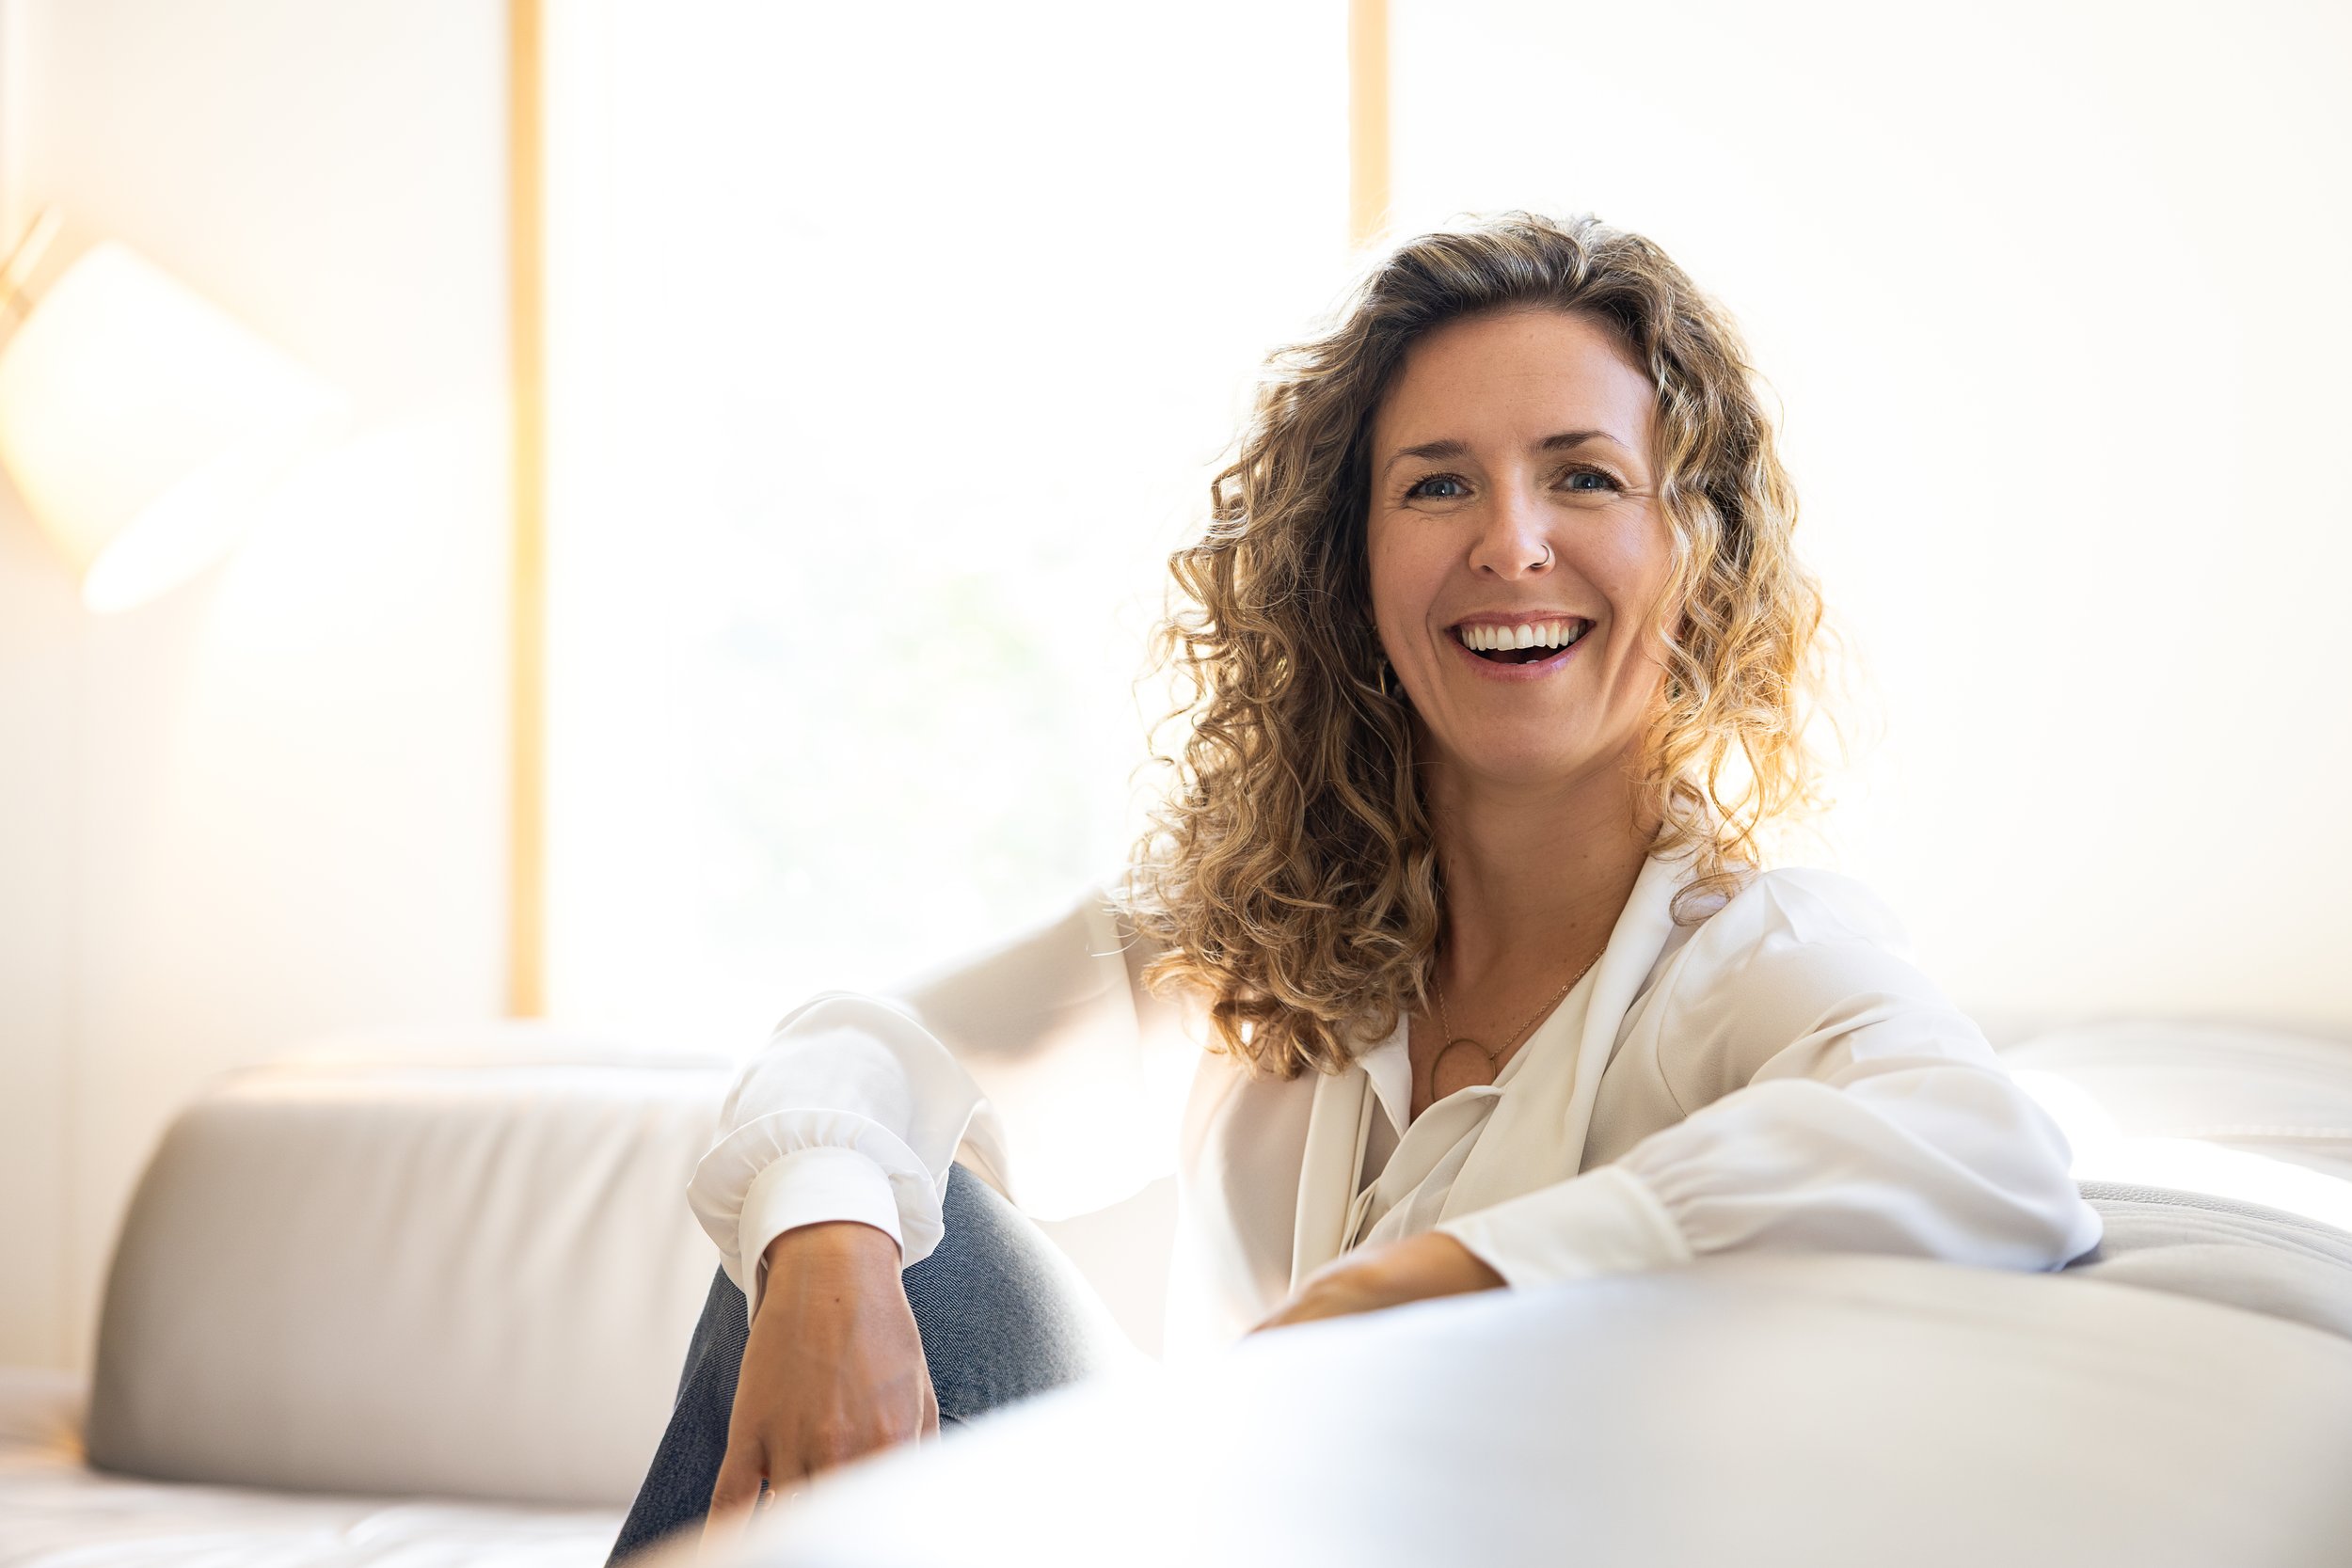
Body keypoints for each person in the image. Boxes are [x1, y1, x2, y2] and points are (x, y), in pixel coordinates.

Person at [606, 211, 2100, 1564]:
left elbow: (1988, 1153)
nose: (1511, 542)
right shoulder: (1276, 928)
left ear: (1690, 550)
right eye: (1439, 484)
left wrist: (1433, 1284)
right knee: (855, 1210)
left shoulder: (1742, 961)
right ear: (1357, 570)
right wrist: (821, 1254)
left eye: (1583, 477)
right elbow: (859, 1052)